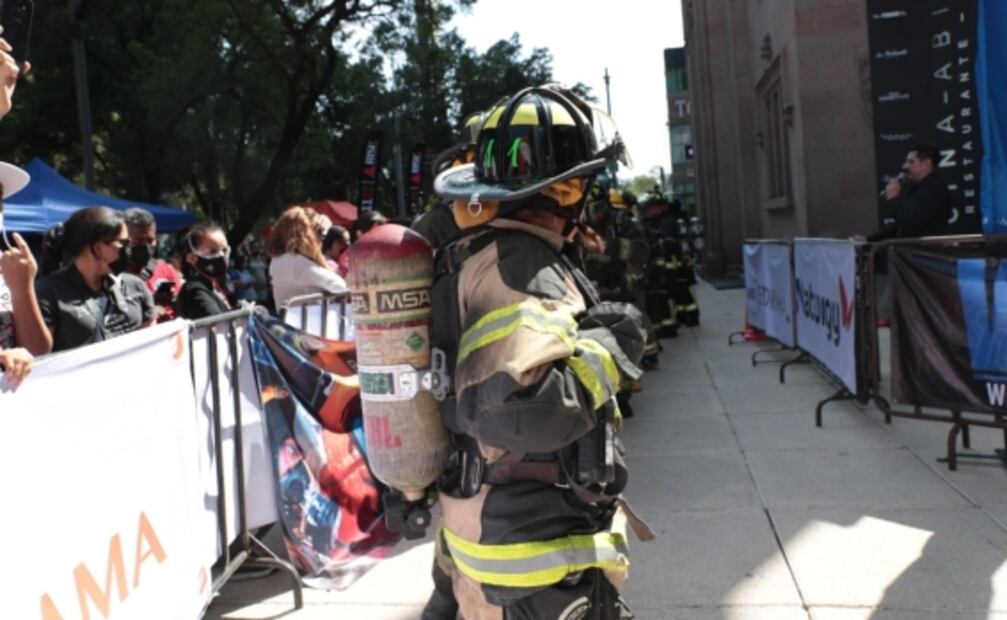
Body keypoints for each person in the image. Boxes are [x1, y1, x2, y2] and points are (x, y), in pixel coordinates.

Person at [425, 85, 651, 619]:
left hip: (491, 541)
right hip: (535, 565)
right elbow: (523, 415)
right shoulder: (521, 265)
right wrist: (610, 341)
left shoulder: (470, 256)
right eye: (581, 187)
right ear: (567, 192)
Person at [34, 207, 155, 353]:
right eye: (123, 243)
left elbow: (151, 343)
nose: (128, 249)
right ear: (97, 248)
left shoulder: (135, 286)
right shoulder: (48, 292)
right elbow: (38, 354)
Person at [869, 143, 953, 241]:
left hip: (924, 253)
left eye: (911, 162)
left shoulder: (933, 189)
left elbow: (909, 223)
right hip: (912, 252)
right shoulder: (915, 187)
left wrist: (893, 199)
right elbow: (899, 227)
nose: (904, 166)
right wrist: (869, 239)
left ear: (926, 164)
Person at [268, 206, 347, 308]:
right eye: (318, 232)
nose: (320, 238)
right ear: (307, 234)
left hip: (286, 321)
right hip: (309, 322)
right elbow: (340, 286)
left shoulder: (277, 260)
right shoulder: (299, 264)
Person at [122, 208, 183, 322]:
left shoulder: (166, 269)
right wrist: (155, 305)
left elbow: (183, 307)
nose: (146, 246)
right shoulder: (115, 276)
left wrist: (175, 299)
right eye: (138, 241)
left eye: (150, 240)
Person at [174, 223, 234, 320]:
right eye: (213, 251)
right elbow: (218, 324)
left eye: (224, 250)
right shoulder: (195, 292)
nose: (222, 255)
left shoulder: (217, 284)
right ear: (192, 258)